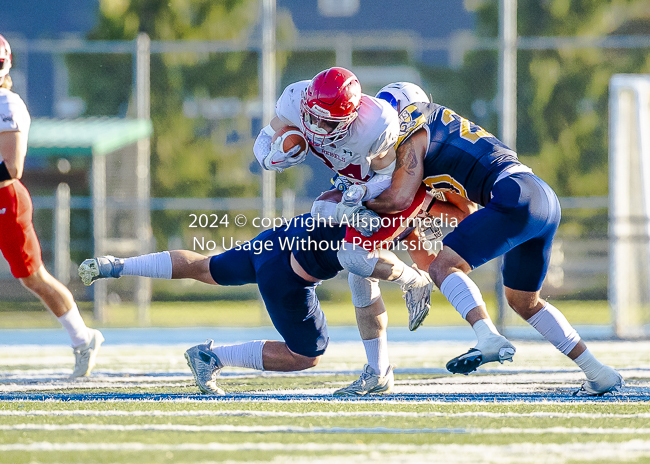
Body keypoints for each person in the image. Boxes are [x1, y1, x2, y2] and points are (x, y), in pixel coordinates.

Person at [365, 87, 624, 396]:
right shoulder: (436, 131)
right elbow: (466, 213)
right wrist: (426, 206)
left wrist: (357, 199)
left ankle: (487, 336)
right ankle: (598, 371)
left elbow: (399, 198)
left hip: (513, 194)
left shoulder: (415, 131)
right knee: (523, 301)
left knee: (444, 266)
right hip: (537, 196)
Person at [78, 213, 441, 395]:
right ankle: (214, 356)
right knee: (307, 354)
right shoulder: (387, 191)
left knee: (204, 267)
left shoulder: (371, 177)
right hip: (287, 274)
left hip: (274, 242)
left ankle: (118, 265)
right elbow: (356, 259)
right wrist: (412, 279)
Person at [0, 34, 103, 378]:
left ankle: (83, 338)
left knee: (33, 278)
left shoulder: (7, 104)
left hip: (6, 199)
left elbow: (12, 168)